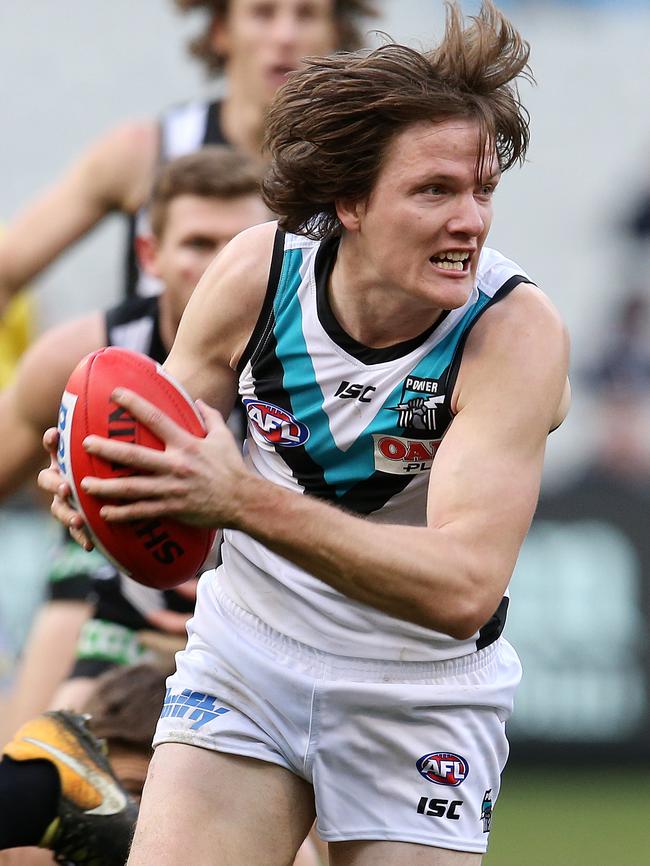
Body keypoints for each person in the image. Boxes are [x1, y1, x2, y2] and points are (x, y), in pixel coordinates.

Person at [41, 2, 571, 863]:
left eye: (482, 190)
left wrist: (239, 499)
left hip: (421, 693)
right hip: (248, 660)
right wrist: (95, 486)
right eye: (434, 190)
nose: (470, 221)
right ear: (350, 201)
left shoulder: (513, 332)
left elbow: (464, 586)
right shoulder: (258, 270)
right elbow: (157, 454)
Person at [0, 146, 269, 748]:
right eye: (200, 244)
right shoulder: (84, 356)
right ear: (150, 254)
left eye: (241, 243)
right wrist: (65, 486)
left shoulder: (319, 358)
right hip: (126, 586)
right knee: (31, 787)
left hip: (272, 604)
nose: (222, 265)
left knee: (296, 835)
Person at [0, 0, 376, 311]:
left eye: (306, 15)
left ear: (336, 36)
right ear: (221, 32)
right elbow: (6, 271)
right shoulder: (145, 152)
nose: (285, 36)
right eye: (263, 13)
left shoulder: (360, 168)